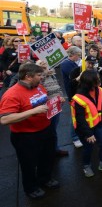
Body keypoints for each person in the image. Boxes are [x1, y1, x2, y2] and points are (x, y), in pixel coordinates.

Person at [0, 63, 59, 199]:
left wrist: (54, 102)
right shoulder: (12, 94)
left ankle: (45, 179)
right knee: (29, 163)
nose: (41, 77)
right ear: (28, 76)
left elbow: (43, 101)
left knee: (47, 157)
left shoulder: (38, 86)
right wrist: (33, 111)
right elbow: (4, 119)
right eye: (39, 75)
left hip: (45, 129)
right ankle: (31, 188)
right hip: (26, 136)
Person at [71, 70, 102, 177]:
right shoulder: (78, 97)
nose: (100, 80)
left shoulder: (98, 90)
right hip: (85, 129)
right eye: (97, 79)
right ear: (89, 82)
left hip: (97, 124)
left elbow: (100, 106)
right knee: (88, 148)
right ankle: (86, 166)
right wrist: (88, 134)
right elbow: (80, 119)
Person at [36, 60, 68, 157]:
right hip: (47, 106)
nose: (43, 65)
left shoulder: (52, 74)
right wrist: (45, 73)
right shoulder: (39, 77)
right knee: (46, 129)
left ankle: (54, 149)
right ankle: (47, 151)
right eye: (40, 64)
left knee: (53, 128)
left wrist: (61, 97)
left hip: (56, 105)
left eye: (44, 63)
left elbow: (58, 88)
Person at [60, 46, 83, 148]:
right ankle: (75, 138)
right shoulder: (66, 64)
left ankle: (79, 134)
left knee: (79, 114)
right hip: (72, 93)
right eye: (78, 55)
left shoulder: (72, 63)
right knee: (74, 116)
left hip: (77, 92)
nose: (79, 57)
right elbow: (73, 77)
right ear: (73, 54)